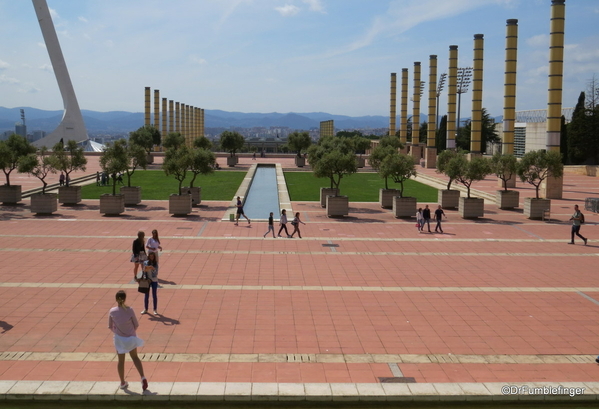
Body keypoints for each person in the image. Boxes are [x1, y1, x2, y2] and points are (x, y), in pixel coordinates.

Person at [108, 290, 148, 391]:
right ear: (125, 299)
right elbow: (136, 324)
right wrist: (130, 332)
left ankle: (122, 382)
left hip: (119, 339)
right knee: (135, 357)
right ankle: (143, 377)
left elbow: (110, 326)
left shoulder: (112, 311)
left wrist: (118, 331)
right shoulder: (130, 310)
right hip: (131, 338)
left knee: (121, 361)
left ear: (116, 299)